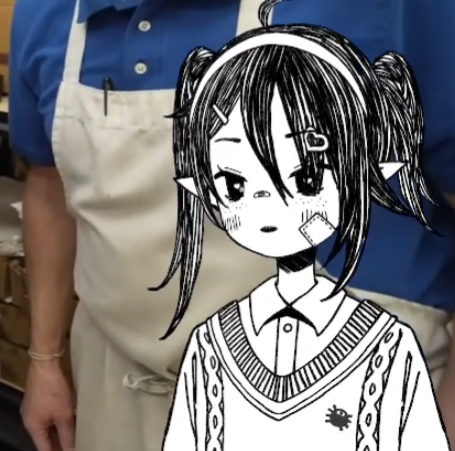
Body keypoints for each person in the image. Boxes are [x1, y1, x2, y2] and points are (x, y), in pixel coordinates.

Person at [7, 0, 455, 450]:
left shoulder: (394, 9)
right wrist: (45, 359)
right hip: (115, 390)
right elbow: (49, 189)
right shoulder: (48, 13)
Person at [158, 4, 450, 449]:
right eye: (234, 184)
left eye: (307, 178)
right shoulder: (211, 346)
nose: (266, 206)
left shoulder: (387, 347)